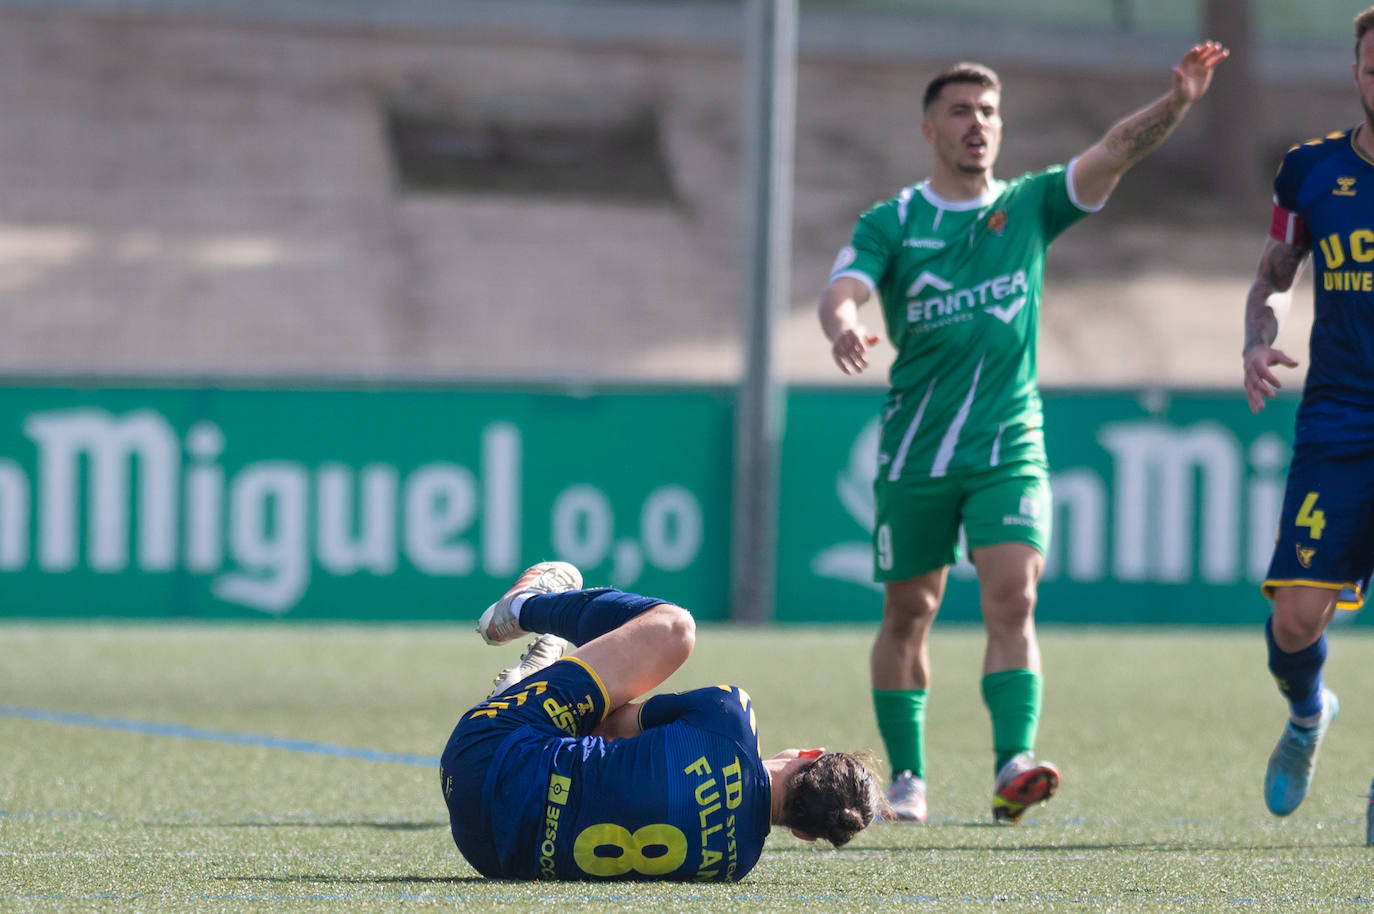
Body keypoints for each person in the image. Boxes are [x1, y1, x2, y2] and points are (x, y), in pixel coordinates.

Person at [817, 42, 1229, 824]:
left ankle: (1012, 764)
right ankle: (906, 779)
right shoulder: (895, 220)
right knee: (910, 610)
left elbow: (1110, 153)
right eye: (962, 111)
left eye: (990, 113)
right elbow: (845, 287)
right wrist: (844, 324)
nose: (979, 125)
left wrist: (1176, 103)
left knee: (1015, 598)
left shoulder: (1032, 204)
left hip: (1009, 441)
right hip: (917, 449)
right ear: (930, 128)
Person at [439, 561, 885, 880]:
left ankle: (527, 607)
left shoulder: (732, 718)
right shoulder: (737, 864)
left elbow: (607, 723)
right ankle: (528, 683)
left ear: (811, 754)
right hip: (492, 853)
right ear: (806, 834)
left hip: (487, 748)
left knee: (674, 630)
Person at [1242, 6, 1374, 820]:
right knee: (1295, 620)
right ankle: (1306, 712)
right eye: (1373, 63)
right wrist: (1259, 339)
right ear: (1358, 71)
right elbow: (1275, 277)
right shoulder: (1311, 171)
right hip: (1338, 418)